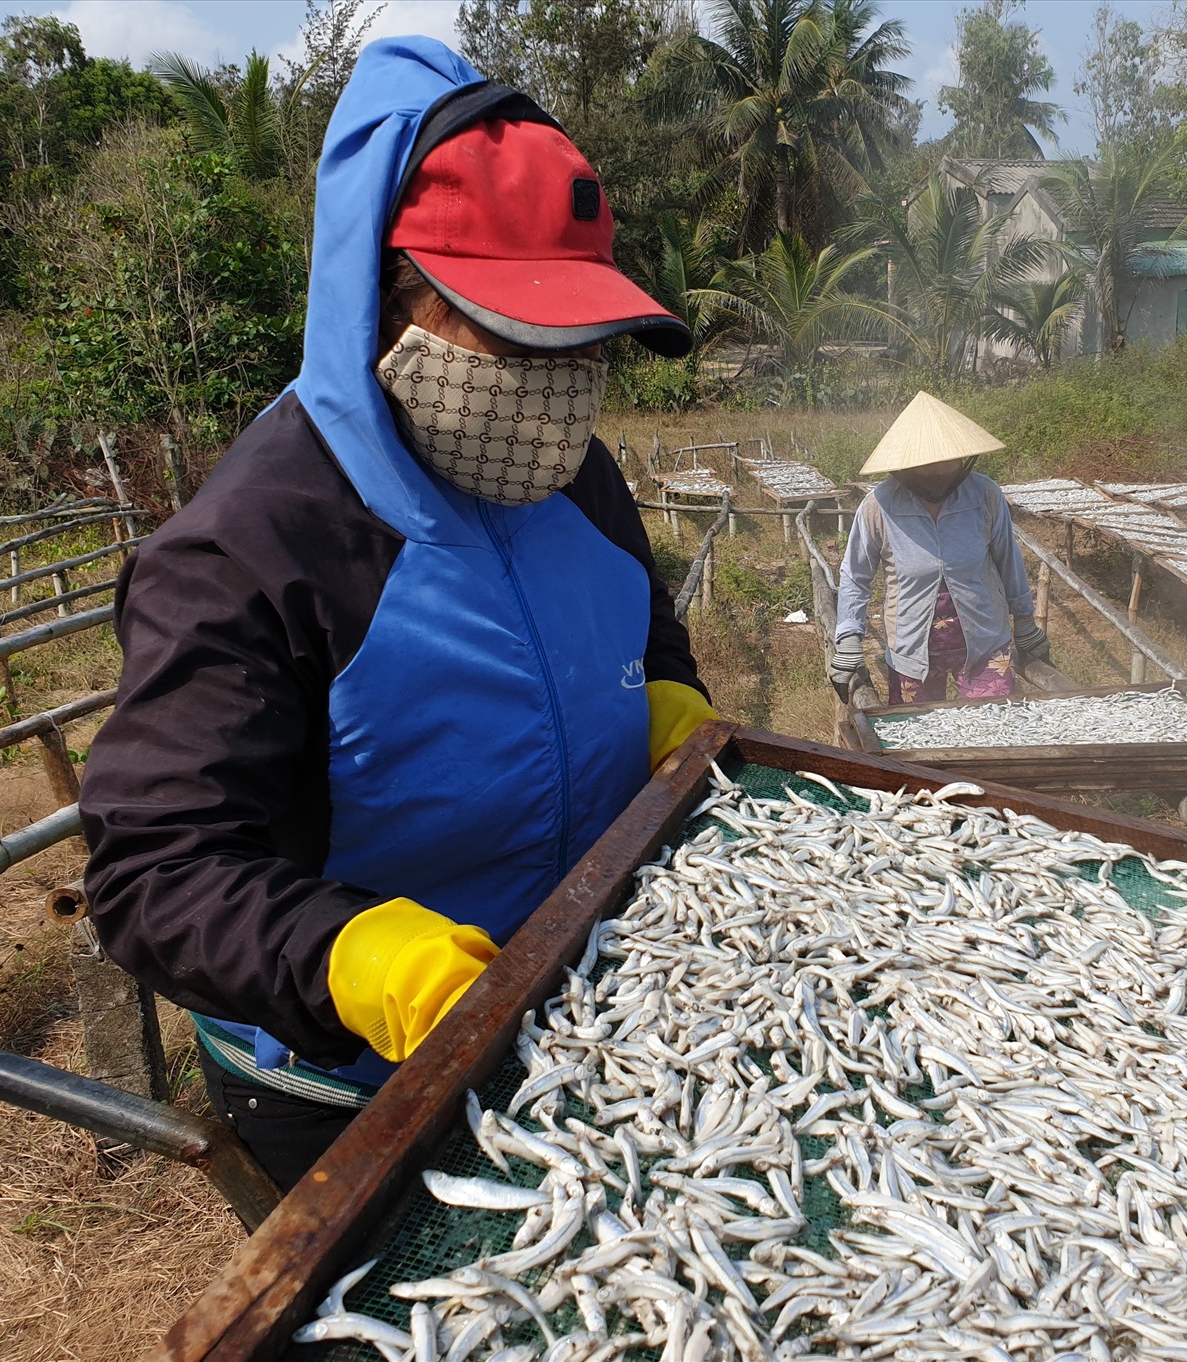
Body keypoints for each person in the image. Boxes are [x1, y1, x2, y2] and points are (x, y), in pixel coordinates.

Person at [77, 38, 717, 1189]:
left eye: (585, 345)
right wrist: (355, 956)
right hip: (346, 1082)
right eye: (518, 338)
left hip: (581, 1011)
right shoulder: (251, 548)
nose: (557, 384)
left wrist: (671, 704)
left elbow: (644, 634)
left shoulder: (581, 476)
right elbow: (155, 873)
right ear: (384, 294)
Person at [830, 392, 1049, 705]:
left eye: (944, 465)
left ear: (961, 459)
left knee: (992, 732)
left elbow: (1007, 559)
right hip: (911, 650)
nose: (935, 473)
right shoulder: (879, 507)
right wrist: (849, 636)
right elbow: (855, 575)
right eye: (925, 467)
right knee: (920, 740)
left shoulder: (984, 496)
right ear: (904, 465)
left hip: (984, 642)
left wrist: (1025, 621)